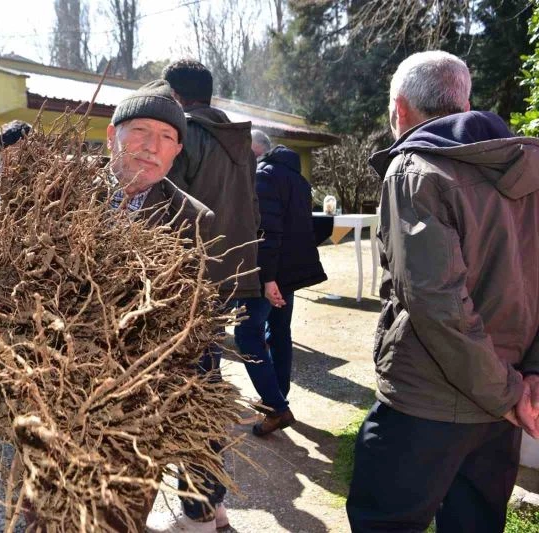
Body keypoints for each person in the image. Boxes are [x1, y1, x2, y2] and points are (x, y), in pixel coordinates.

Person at [0, 81, 215, 528]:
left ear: (177, 151)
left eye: (167, 138)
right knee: (41, 517)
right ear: (112, 136)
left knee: (117, 520)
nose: (152, 147)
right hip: (44, 405)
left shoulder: (191, 219)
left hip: (130, 423)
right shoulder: (58, 190)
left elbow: (194, 323)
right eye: (141, 132)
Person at [346, 51, 539, 533]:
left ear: (400, 110)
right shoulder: (525, 166)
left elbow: (436, 304)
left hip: (427, 403)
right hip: (503, 407)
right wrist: (526, 379)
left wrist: (513, 388)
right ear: (465, 101)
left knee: (382, 522)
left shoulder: (415, 170)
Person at [153, 58, 260, 532]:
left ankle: (197, 512)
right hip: (222, 281)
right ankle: (212, 506)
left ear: (176, 96)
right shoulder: (236, 141)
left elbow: (165, 213)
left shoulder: (188, 137)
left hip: (183, 288)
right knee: (205, 387)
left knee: (186, 397)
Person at [234, 130, 326, 436]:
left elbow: (267, 232)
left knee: (247, 333)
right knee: (279, 332)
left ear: (255, 150)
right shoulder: (297, 178)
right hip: (287, 273)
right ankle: (277, 396)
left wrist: (267, 278)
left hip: (268, 274)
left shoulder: (265, 175)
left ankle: (276, 407)